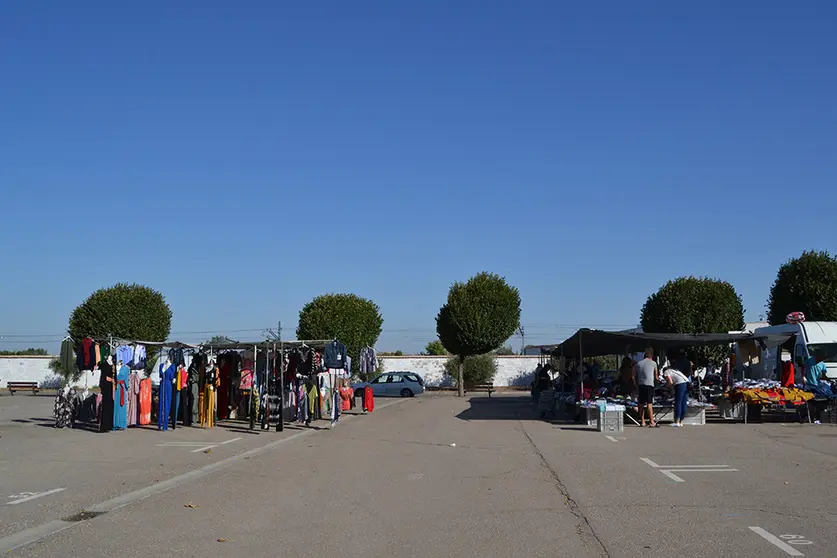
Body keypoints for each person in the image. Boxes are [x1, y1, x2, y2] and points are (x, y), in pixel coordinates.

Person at [634, 349, 658, 427]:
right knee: (649, 403)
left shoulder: (638, 364)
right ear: (651, 356)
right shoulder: (654, 363)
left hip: (641, 385)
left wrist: (636, 384)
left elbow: (633, 376)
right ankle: (651, 421)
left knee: (641, 404)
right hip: (649, 384)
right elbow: (656, 377)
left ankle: (643, 421)